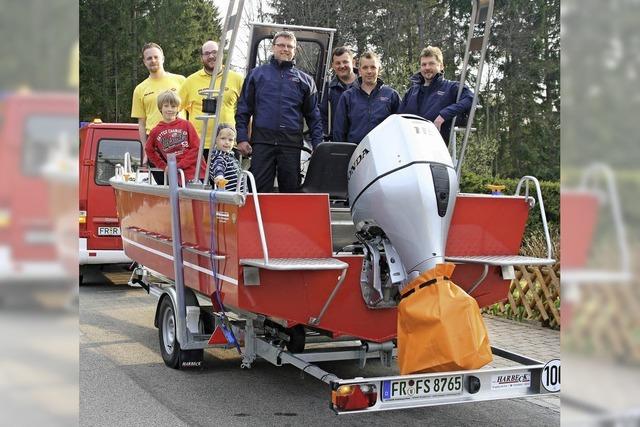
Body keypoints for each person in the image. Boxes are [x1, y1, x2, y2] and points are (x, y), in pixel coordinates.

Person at [235, 30, 323, 193]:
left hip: (291, 145)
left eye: (290, 46)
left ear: (294, 50)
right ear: (272, 48)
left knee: (290, 192)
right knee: (258, 191)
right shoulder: (256, 75)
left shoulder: (305, 81)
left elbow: (313, 116)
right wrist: (241, 138)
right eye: (281, 45)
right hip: (262, 143)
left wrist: (318, 143)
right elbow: (243, 109)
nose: (285, 49)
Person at [179, 40, 244, 159]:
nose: (211, 56)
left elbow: (246, 111)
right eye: (207, 53)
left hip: (228, 144)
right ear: (201, 58)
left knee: (226, 178)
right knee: (200, 178)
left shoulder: (237, 79)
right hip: (199, 145)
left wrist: (245, 139)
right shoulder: (190, 81)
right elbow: (177, 110)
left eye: (215, 52)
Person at [399, 46, 473, 143]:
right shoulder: (411, 92)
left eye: (431, 63)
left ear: (441, 66)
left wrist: (443, 115)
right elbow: (398, 118)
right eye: (424, 64)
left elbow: (470, 99)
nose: (427, 67)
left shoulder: (451, 87)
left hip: (436, 151)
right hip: (410, 149)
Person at [333, 51, 400, 144]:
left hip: (384, 151)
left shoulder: (391, 95)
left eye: (373, 67)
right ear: (360, 70)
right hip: (355, 152)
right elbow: (339, 131)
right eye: (365, 68)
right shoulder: (347, 97)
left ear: (379, 70)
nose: (369, 71)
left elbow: (400, 128)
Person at [131, 42, 186, 151]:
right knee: (157, 169)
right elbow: (141, 124)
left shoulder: (181, 81)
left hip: (180, 138)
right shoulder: (140, 89)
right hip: (155, 142)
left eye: (156, 57)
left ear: (163, 59)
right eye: (149, 58)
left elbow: (192, 111)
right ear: (144, 62)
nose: (153, 60)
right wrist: (146, 149)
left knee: (182, 169)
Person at [145, 90, 206, 182]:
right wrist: (163, 166)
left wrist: (180, 165)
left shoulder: (187, 125)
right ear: (160, 108)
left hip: (196, 173)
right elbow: (149, 150)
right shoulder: (155, 131)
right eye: (166, 106)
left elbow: (197, 148)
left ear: (178, 108)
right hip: (177, 176)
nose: (170, 109)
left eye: (173, 106)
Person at [319, 46, 358, 139]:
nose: (341, 66)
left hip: (362, 143)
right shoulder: (328, 89)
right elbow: (322, 117)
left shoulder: (365, 85)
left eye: (345, 62)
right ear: (332, 65)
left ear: (353, 62)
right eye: (337, 63)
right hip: (337, 143)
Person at [209, 125, 242, 191]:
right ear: (215, 140)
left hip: (238, 193)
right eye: (223, 138)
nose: (227, 142)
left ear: (234, 142)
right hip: (229, 195)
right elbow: (218, 166)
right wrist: (219, 176)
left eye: (230, 140)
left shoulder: (230, 155)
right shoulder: (219, 156)